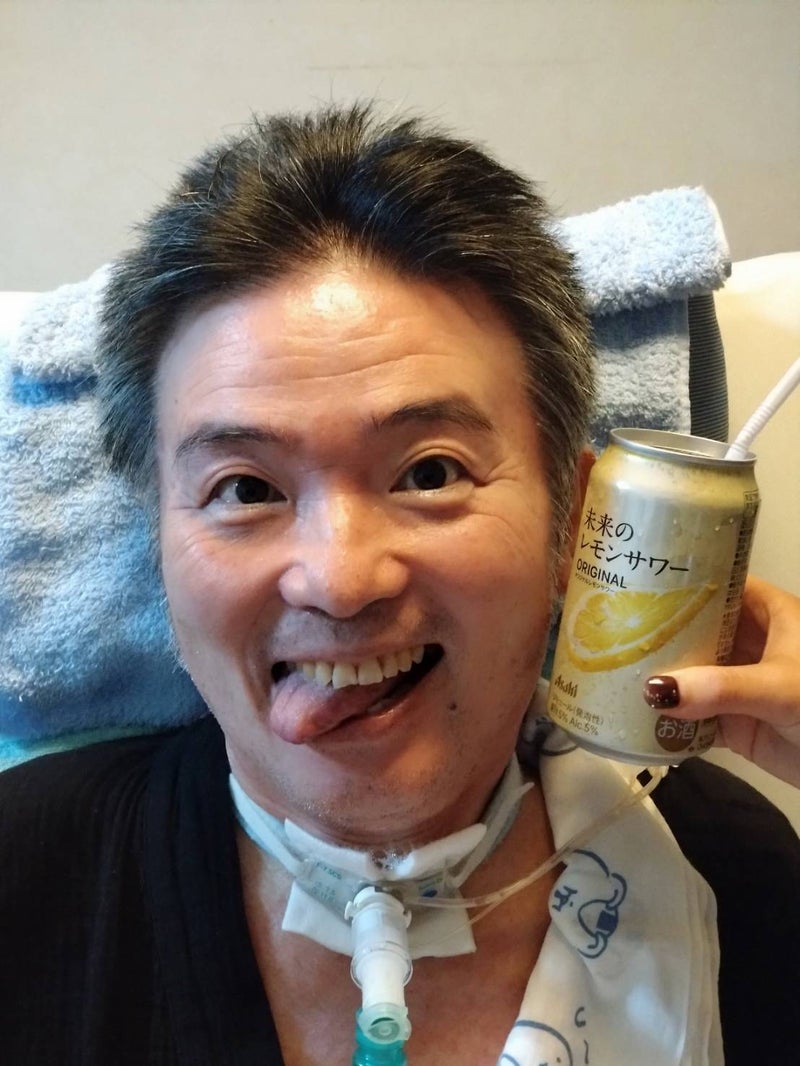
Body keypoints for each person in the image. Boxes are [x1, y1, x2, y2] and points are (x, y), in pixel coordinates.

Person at [1, 104, 798, 1066]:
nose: (341, 582)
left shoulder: (731, 877)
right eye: (244, 489)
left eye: (429, 472)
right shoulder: (27, 876)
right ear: (159, 544)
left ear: (577, 525)